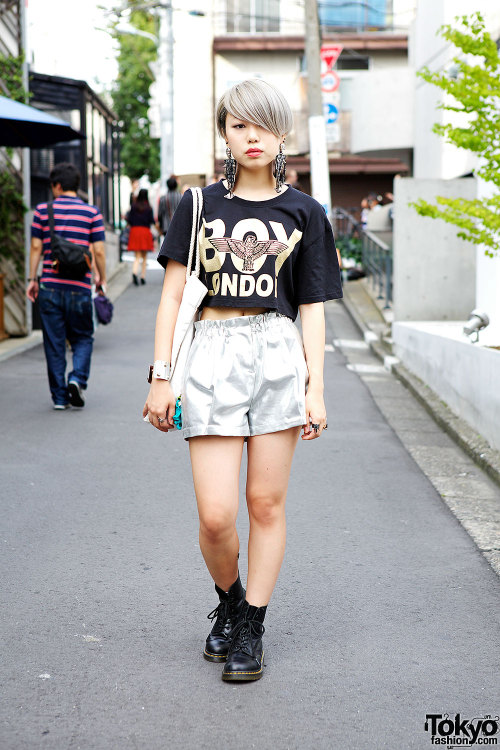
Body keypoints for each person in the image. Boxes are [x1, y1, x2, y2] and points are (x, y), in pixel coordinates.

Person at [143, 79, 342, 682]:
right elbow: (174, 293)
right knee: (216, 514)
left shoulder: (306, 212)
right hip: (209, 351)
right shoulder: (199, 205)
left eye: (263, 125)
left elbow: (311, 305)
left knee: (265, 502)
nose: (251, 136)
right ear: (224, 132)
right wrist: (161, 375)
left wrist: (316, 388)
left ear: (282, 134)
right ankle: (230, 600)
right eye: (238, 125)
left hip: (277, 352)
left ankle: (250, 627)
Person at [27, 162, 107, 410]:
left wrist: (32, 279)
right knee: (83, 337)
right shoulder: (92, 213)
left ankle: (60, 398)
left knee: (54, 342)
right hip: (80, 288)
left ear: (58, 186)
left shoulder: (42, 211)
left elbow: (36, 247)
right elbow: (100, 251)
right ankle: (77, 378)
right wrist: (101, 279)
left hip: (51, 286)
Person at [127, 188, 154, 285]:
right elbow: (151, 221)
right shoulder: (149, 207)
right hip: (145, 231)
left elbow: (129, 219)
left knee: (137, 256)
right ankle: (142, 276)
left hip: (135, 231)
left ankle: (134, 272)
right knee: (145, 256)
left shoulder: (134, 206)